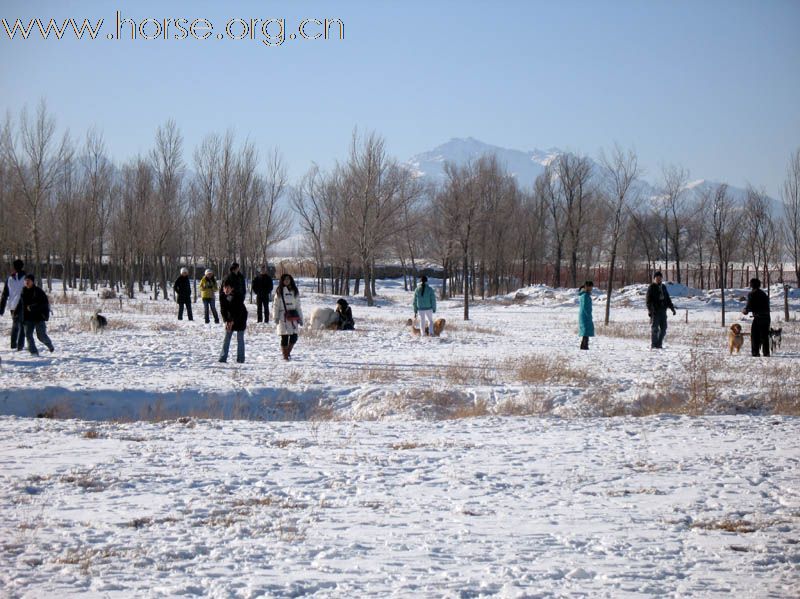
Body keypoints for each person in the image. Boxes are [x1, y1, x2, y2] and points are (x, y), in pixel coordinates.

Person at [20, 274, 54, 355]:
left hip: (39, 317)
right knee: (28, 335)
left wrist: (33, 307)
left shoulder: (38, 291)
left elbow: (44, 304)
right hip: (27, 318)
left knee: (41, 336)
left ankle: (49, 345)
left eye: (29, 280)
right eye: (26, 281)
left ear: (32, 282)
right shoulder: (22, 291)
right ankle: (34, 352)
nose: (27, 282)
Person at [273, 273, 303, 360]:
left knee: (294, 337)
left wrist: (300, 318)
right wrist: (276, 317)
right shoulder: (279, 291)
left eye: (288, 279)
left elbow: (298, 306)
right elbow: (276, 306)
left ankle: (288, 352)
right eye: (285, 279)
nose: (287, 281)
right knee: (284, 337)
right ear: (282, 281)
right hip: (283, 316)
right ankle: (285, 356)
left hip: (293, 316)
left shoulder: (295, 291)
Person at [0, 259, 27, 351]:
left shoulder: (9, 278)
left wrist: (2, 307)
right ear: (22, 266)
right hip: (23, 305)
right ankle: (19, 347)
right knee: (22, 326)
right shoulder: (26, 278)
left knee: (15, 324)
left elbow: (4, 294)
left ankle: (13, 345)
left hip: (12, 305)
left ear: (14, 267)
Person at [646, 271, 676, 349]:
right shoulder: (651, 287)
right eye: (657, 278)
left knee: (664, 329)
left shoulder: (663, 287)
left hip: (663, 311)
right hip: (655, 311)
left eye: (660, 278)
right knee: (655, 329)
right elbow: (648, 301)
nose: (659, 279)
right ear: (654, 279)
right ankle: (654, 345)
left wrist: (672, 308)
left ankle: (659, 344)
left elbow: (668, 298)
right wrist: (650, 310)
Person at [219, 281, 247, 363]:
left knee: (240, 338)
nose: (226, 290)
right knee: (227, 338)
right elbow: (223, 310)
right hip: (229, 318)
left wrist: (232, 321)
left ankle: (241, 359)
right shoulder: (222, 296)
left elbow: (238, 310)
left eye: (228, 288)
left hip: (240, 318)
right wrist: (226, 321)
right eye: (225, 288)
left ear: (232, 288)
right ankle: (222, 358)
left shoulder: (237, 296)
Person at [742, 278, 771, 357]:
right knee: (765, 335)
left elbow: (748, 307)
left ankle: (755, 352)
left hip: (758, 317)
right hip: (767, 317)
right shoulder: (764, 294)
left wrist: (745, 310)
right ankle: (766, 353)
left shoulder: (751, 294)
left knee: (755, 335)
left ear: (752, 285)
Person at [578, 281, 595, 350]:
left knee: (586, 331)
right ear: (587, 287)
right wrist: (588, 314)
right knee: (585, 330)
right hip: (585, 315)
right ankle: (584, 346)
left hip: (586, 315)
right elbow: (585, 306)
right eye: (590, 287)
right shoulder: (585, 295)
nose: (591, 288)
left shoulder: (586, 294)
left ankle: (584, 345)